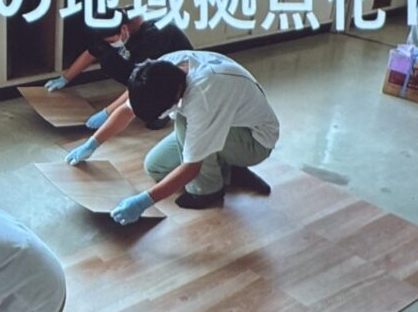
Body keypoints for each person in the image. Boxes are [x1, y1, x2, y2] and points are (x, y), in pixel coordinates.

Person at [65, 50, 279, 221]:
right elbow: (127, 110)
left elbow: (192, 167)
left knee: (184, 122)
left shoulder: (202, 98)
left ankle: (209, 191)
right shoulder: (163, 70)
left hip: (254, 140)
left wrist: (144, 201)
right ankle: (229, 169)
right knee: (155, 166)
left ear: (175, 97)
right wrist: (91, 144)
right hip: (228, 125)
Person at [45, 11, 195, 129]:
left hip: (175, 77)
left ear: (124, 29)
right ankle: (138, 99)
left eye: (112, 40)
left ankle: (163, 110)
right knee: (108, 59)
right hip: (147, 66)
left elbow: (143, 78)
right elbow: (92, 52)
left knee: (150, 114)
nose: (111, 43)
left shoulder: (154, 35)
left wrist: (107, 113)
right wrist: (65, 78)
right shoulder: (116, 21)